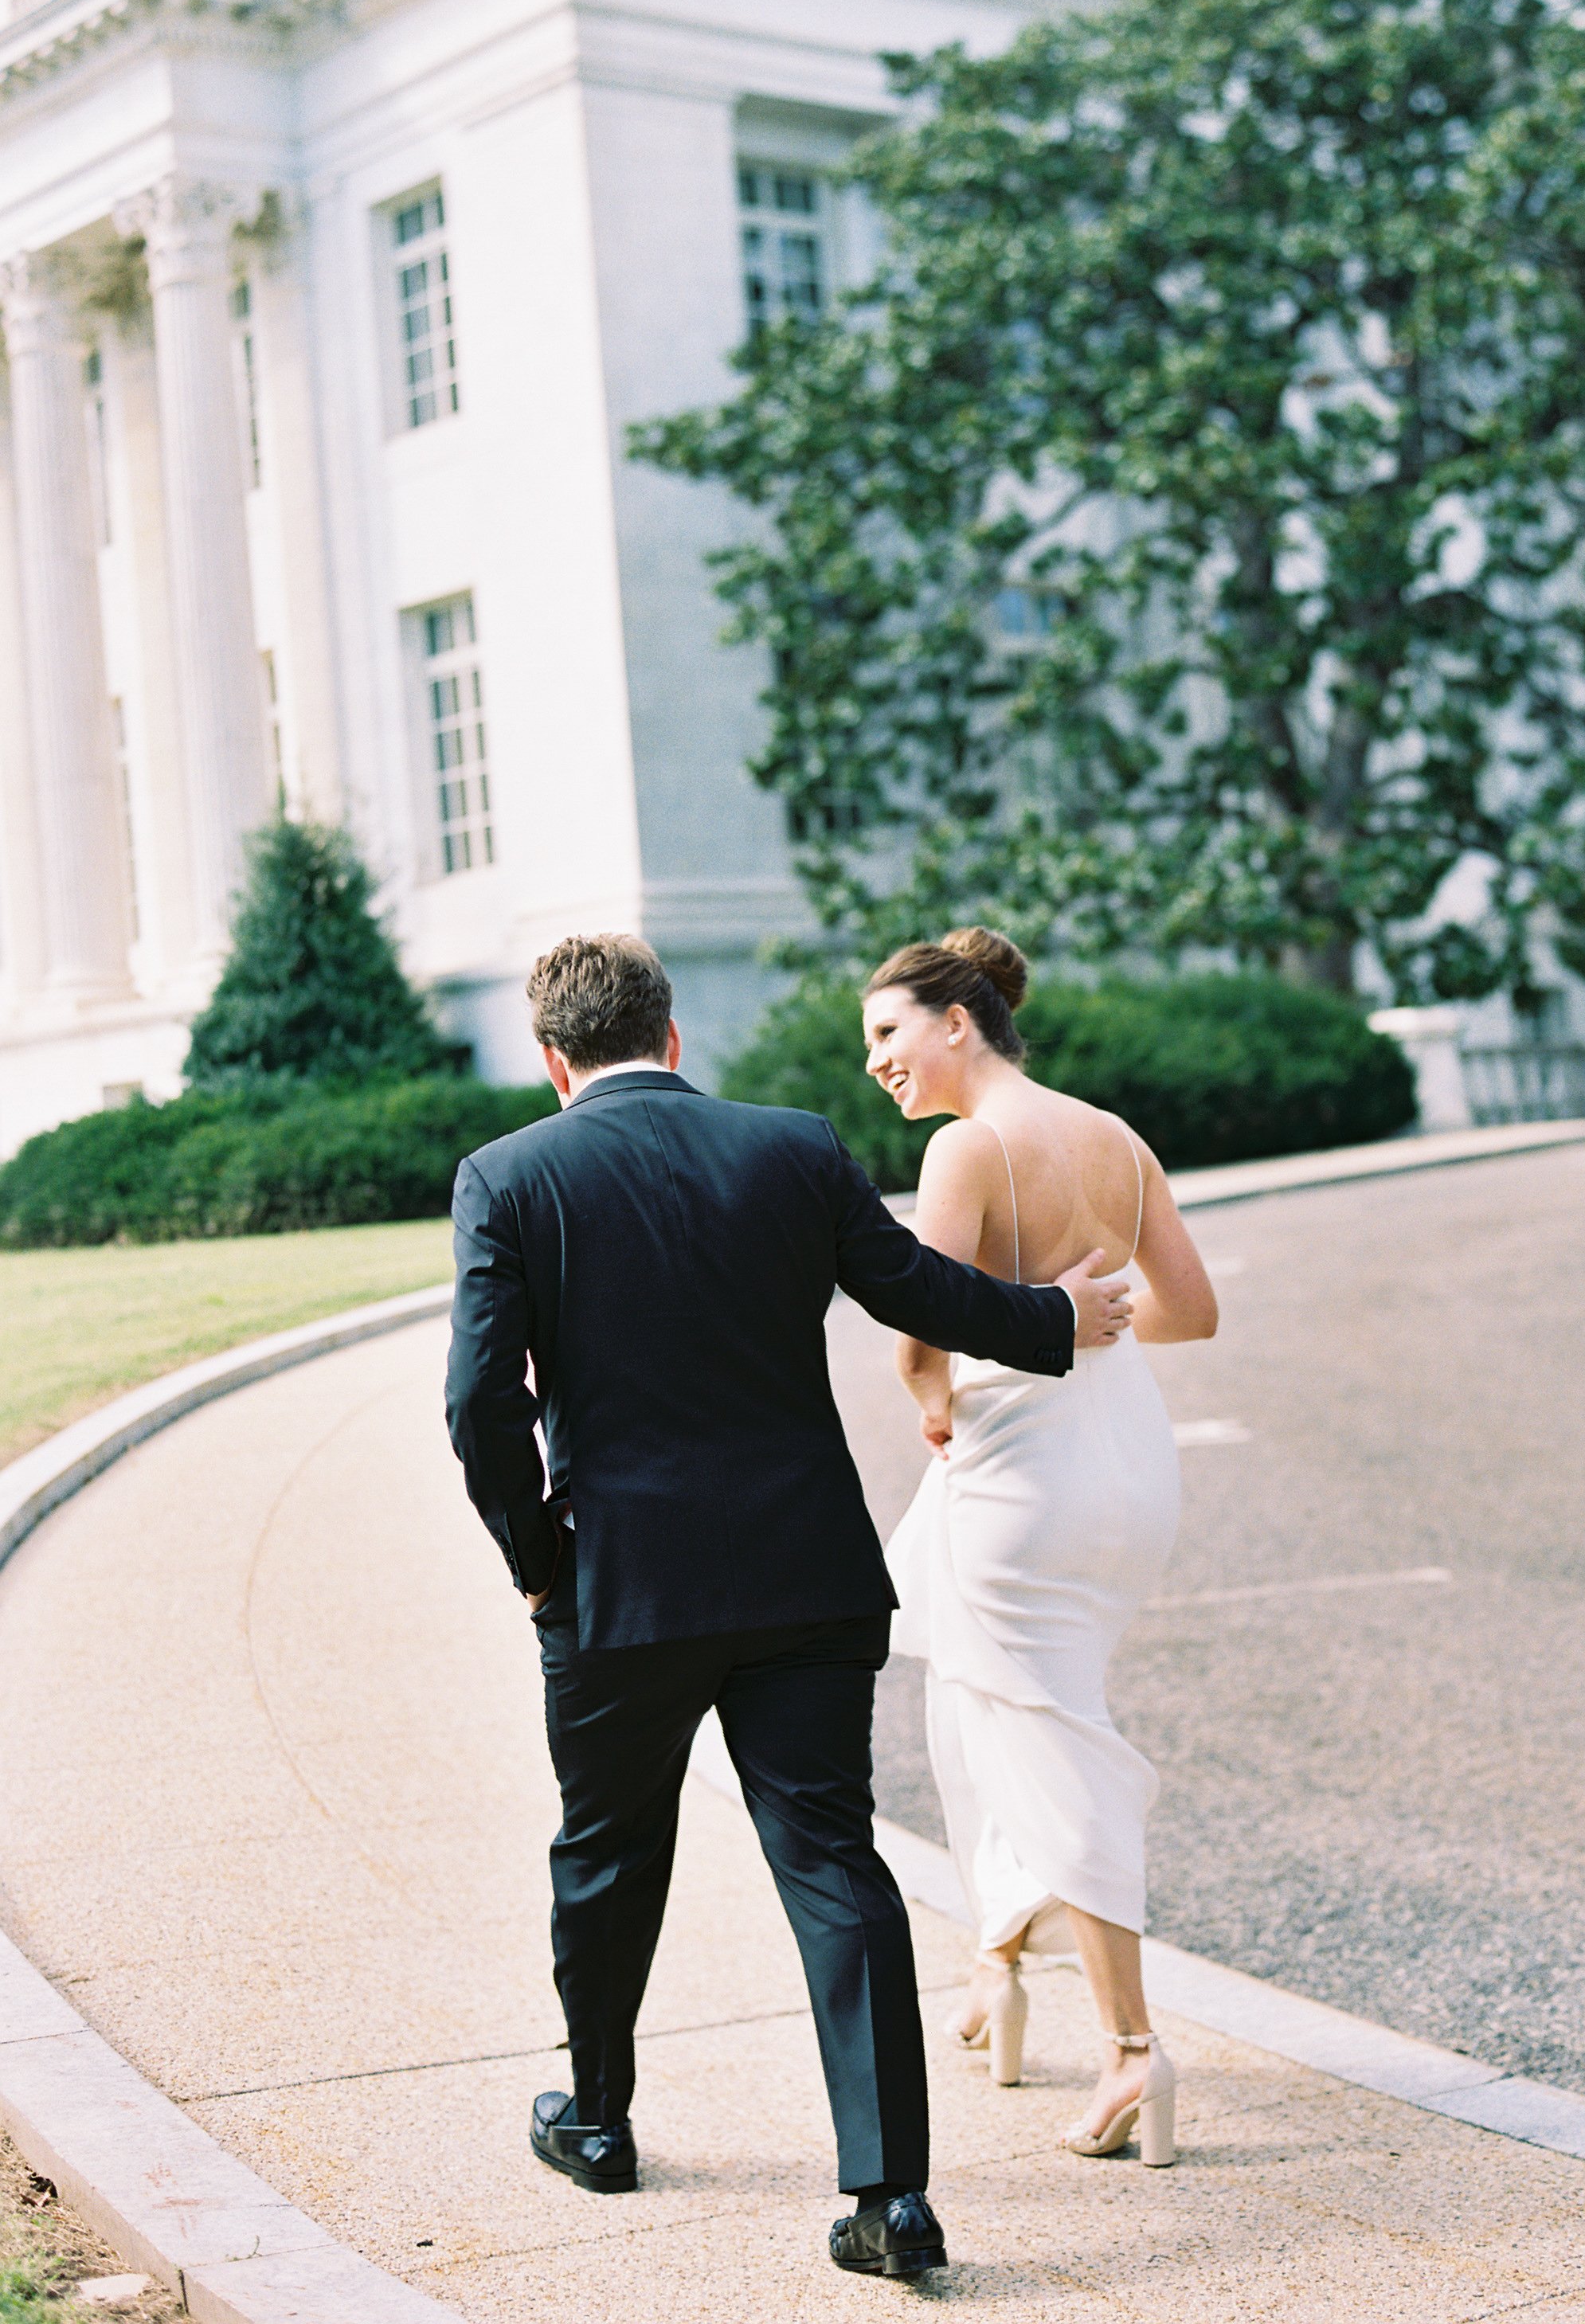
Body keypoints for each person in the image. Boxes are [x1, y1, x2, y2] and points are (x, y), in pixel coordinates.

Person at [443, 933, 1136, 2282]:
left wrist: (539, 1561)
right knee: (834, 1862)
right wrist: (1053, 1322)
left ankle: (595, 2120)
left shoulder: (508, 1177)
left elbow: (480, 1405)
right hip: (805, 1578)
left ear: (551, 1060)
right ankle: (889, 2199)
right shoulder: (793, 1146)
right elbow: (918, 1293)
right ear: (673, 1036)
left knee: (604, 1855)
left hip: (618, 1591)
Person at [866, 929, 1218, 2166]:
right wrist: (1093, 1317)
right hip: (1125, 1462)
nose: (876, 1064)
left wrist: (934, 1400)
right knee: (988, 1697)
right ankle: (998, 1959)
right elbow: (1192, 1311)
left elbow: (921, 1324)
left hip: (1020, 1475)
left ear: (956, 1023)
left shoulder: (966, 1146)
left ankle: (1131, 2051)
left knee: (1047, 1730)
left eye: (889, 1034)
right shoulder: (1113, 1137)